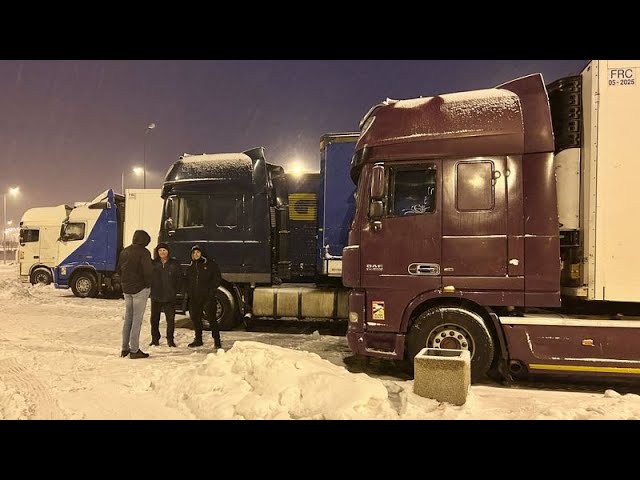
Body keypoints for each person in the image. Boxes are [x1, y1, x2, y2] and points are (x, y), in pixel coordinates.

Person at [116, 230, 153, 359]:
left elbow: (119, 269)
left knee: (128, 319)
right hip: (140, 289)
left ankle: (124, 348)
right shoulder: (144, 253)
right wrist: (148, 285)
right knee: (137, 320)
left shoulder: (124, 251)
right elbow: (148, 271)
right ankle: (134, 350)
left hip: (126, 289)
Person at [185, 245, 222, 349]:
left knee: (211, 319)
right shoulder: (190, 267)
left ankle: (217, 341)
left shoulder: (210, 265)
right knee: (196, 319)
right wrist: (188, 291)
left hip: (207, 297)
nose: (195, 255)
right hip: (194, 297)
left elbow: (217, 278)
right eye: (194, 253)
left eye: (198, 252)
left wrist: (211, 290)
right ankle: (198, 339)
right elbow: (186, 281)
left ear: (202, 254)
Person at [149, 242, 182, 347]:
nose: (162, 252)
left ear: (168, 251)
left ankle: (170, 339)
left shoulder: (174, 264)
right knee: (154, 319)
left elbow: (179, 278)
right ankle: (155, 339)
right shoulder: (153, 264)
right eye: (160, 250)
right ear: (157, 252)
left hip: (170, 296)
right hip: (156, 295)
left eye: (164, 250)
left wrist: (176, 290)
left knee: (170, 319)